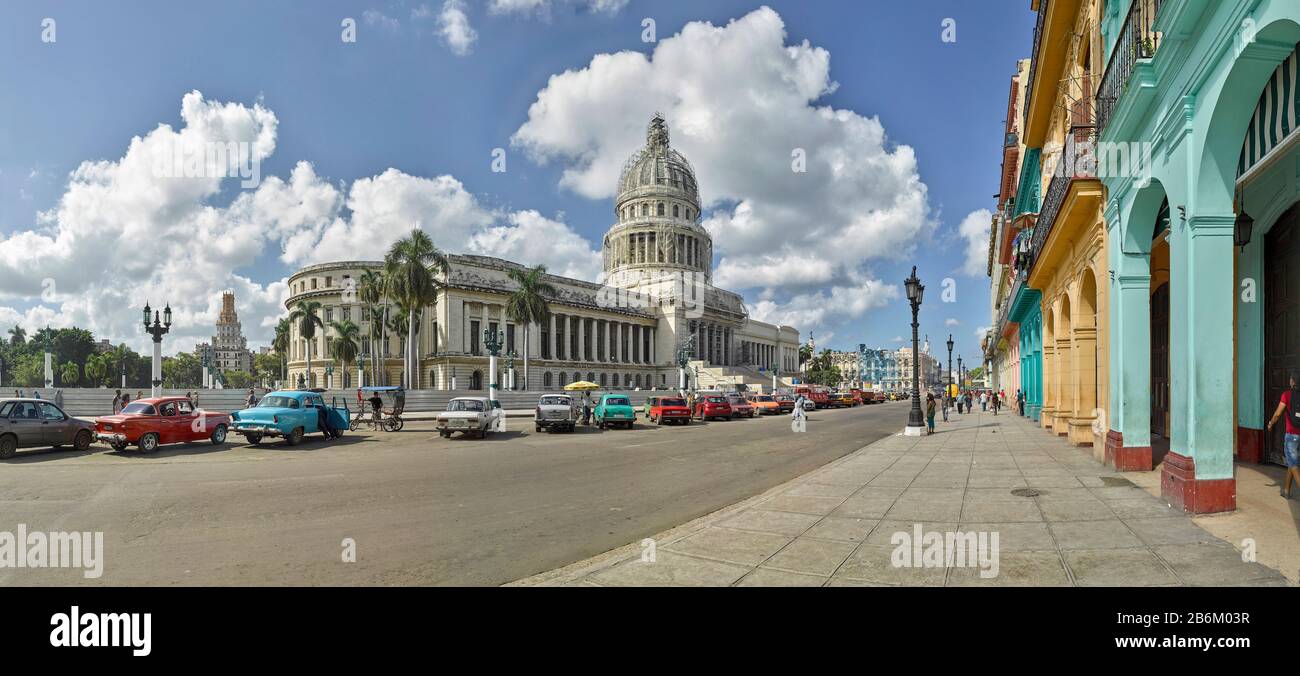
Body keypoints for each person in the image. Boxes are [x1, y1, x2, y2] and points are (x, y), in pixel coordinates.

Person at [1266, 371, 1300, 499]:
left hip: (1292, 435)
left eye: (1291, 379)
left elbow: (1277, 413)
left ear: (1293, 381)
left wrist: (1270, 423)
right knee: (1292, 463)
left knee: (1293, 464)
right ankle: (1286, 490)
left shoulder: (1287, 394)